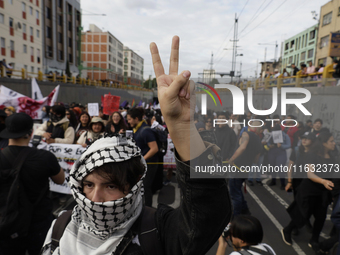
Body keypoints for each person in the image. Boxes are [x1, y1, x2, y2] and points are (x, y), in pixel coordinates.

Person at [40, 35, 232, 255]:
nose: (95, 198)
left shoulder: (157, 230)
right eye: (89, 185)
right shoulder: (61, 226)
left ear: (132, 187)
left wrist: (181, 127)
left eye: (111, 186)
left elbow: (208, 214)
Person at [0, 113, 65, 255]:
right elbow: (60, 179)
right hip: (39, 223)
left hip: (7, 222)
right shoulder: (45, 157)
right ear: (31, 132)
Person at [282, 132, 336, 251]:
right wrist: (323, 181)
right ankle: (287, 229)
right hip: (309, 190)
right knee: (303, 214)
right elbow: (310, 174)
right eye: (331, 141)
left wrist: (332, 191)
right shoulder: (312, 155)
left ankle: (314, 239)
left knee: (321, 217)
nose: (334, 143)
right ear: (324, 143)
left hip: (323, 192)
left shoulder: (332, 157)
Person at [228, 122, 262, 216]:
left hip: (237, 168)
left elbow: (242, 147)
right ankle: (245, 209)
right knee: (237, 190)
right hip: (245, 170)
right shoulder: (259, 141)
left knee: (235, 195)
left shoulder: (246, 134)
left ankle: (236, 218)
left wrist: (232, 159)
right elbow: (255, 160)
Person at [127, 107, 159, 207]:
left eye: (129, 119)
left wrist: (142, 160)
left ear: (136, 118)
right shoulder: (137, 129)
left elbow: (154, 149)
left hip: (150, 164)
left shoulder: (145, 131)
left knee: (146, 187)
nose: (128, 122)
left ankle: (148, 209)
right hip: (143, 163)